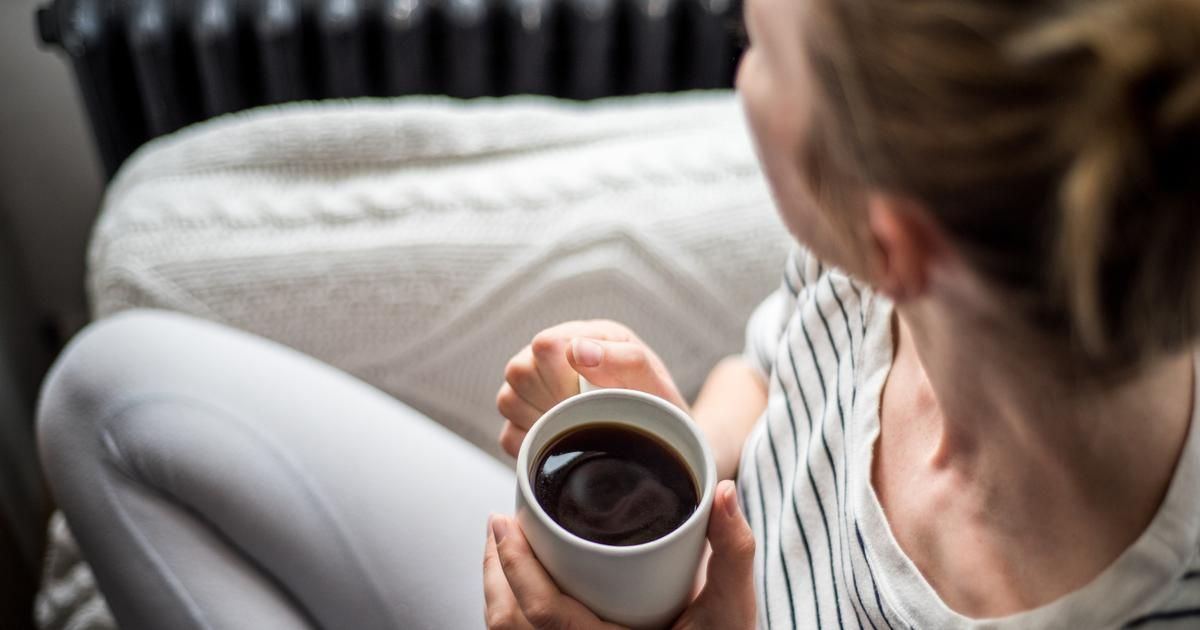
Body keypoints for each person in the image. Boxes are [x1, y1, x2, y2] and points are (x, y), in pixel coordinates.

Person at [37, 0, 1200, 629]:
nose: (738, 68)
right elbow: (769, 373)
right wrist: (688, 440)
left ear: (894, 234)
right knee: (106, 399)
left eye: (759, 51)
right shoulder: (893, 276)